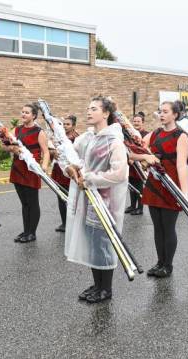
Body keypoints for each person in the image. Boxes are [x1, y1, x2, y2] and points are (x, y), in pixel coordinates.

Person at [61, 96, 128, 303]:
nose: (88, 112)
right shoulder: (88, 138)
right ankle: (97, 283)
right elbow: (73, 158)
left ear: (106, 113)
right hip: (88, 199)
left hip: (105, 202)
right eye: (88, 108)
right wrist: (71, 169)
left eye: (94, 109)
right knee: (92, 242)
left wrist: (89, 178)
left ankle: (106, 288)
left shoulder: (114, 140)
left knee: (104, 243)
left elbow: (119, 174)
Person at [134, 101, 188, 277]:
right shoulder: (155, 133)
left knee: (168, 227)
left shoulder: (181, 136)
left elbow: (182, 166)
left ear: (175, 115)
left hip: (171, 186)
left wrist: (184, 193)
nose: (162, 114)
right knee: (157, 227)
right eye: (160, 111)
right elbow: (136, 149)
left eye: (166, 112)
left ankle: (168, 265)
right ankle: (159, 262)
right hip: (154, 184)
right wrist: (144, 158)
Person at [3, 103, 50, 243]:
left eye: (27, 112)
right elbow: (3, 146)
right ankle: (26, 230)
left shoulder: (39, 132)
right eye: (22, 112)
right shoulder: (16, 130)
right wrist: (12, 149)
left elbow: (46, 152)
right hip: (18, 168)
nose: (23, 114)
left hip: (31, 169)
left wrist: (44, 166)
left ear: (34, 116)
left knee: (32, 202)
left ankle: (32, 233)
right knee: (24, 203)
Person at [50, 114, 78, 232]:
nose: (65, 126)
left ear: (74, 126)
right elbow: (50, 150)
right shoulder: (57, 137)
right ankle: (64, 223)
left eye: (68, 124)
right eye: (64, 124)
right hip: (58, 170)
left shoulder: (77, 138)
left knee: (72, 197)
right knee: (61, 197)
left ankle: (74, 223)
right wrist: (52, 152)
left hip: (70, 171)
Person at [125, 111, 149, 215]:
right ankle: (132, 205)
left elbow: (146, 150)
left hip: (140, 163)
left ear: (142, 122)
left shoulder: (146, 134)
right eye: (134, 121)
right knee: (131, 184)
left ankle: (140, 207)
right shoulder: (130, 134)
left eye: (138, 121)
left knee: (139, 185)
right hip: (130, 163)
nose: (136, 123)